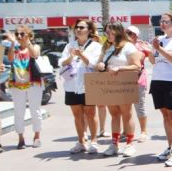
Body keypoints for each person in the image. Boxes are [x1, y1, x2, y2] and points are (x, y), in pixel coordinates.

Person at [97, 22, 142, 157]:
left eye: (111, 32)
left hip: (124, 84)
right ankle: (114, 144)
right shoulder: (107, 47)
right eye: (106, 33)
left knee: (127, 114)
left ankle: (129, 144)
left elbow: (137, 66)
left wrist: (120, 68)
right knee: (114, 114)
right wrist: (100, 65)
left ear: (118, 32)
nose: (108, 35)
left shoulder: (128, 47)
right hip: (110, 84)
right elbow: (100, 63)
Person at [59, 19, 103, 154]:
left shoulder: (95, 46)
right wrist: (71, 57)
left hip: (88, 84)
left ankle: (94, 141)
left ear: (89, 30)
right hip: (72, 85)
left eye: (81, 27)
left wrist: (81, 55)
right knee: (77, 114)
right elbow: (62, 62)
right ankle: (81, 141)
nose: (78, 29)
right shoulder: (69, 46)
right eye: (76, 27)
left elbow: (95, 64)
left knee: (90, 113)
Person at [148, 12, 172, 167]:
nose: (162, 24)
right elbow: (152, 60)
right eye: (161, 21)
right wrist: (151, 50)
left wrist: (159, 49)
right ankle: (171, 147)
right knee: (166, 116)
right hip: (158, 80)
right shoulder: (160, 39)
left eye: (166, 21)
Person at [5, 25, 43, 149]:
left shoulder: (34, 46)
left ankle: (37, 136)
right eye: (17, 34)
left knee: (35, 110)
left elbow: (35, 54)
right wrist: (11, 43)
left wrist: (27, 43)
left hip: (33, 83)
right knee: (18, 111)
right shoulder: (14, 48)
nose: (19, 37)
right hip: (17, 84)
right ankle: (20, 138)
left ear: (29, 35)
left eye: (22, 34)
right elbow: (10, 59)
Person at [126, 25, 152, 142]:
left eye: (130, 33)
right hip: (124, 79)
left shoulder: (141, 46)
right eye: (126, 32)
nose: (127, 35)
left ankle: (143, 131)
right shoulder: (121, 46)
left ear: (136, 35)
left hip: (138, 79)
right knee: (125, 107)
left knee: (139, 106)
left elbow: (148, 59)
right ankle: (126, 131)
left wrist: (148, 50)